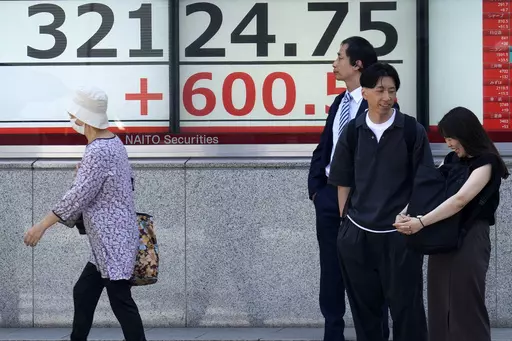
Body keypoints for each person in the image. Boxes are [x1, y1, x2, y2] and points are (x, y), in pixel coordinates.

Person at [23, 86, 147, 341]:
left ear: (84, 118)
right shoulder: (113, 142)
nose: (72, 119)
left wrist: (41, 226)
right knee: (83, 292)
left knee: (121, 302)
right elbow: (120, 183)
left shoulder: (98, 150)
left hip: (112, 241)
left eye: (74, 114)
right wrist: (87, 174)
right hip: (108, 240)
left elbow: (76, 197)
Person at [327, 62, 431, 341]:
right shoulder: (352, 131)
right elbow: (342, 181)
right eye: (380, 90)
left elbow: (424, 182)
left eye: (392, 91)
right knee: (366, 314)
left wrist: (411, 217)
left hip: (400, 236)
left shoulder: (412, 130)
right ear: (365, 93)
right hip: (357, 236)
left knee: (408, 312)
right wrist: (345, 226)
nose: (386, 97)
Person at [394, 106, 509, 341]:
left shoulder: (486, 163)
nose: (448, 144)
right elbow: (430, 192)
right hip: (443, 235)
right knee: (439, 302)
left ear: (466, 134)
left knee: (465, 303)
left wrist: (421, 223)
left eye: (450, 137)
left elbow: (459, 200)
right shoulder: (451, 160)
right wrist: (406, 212)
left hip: (471, 237)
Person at [308, 36, 390, 341]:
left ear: (357, 64)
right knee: (330, 271)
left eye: (340, 57)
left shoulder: (378, 102)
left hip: (362, 200)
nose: (334, 63)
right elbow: (324, 146)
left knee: (368, 271)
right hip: (328, 196)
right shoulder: (340, 102)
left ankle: (375, 332)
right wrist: (316, 187)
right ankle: (333, 333)